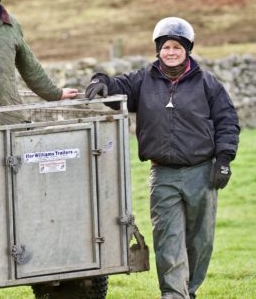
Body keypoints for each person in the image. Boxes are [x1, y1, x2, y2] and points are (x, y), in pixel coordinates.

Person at [85, 17, 240, 299]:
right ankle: (173, 293)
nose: (171, 52)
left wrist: (224, 160)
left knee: (200, 241)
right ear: (158, 50)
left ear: (187, 50)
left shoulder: (207, 83)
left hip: (201, 172)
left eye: (177, 47)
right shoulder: (143, 80)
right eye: (166, 47)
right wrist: (100, 81)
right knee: (168, 237)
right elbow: (117, 86)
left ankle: (188, 290)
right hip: (163, 174)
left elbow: (227, 120)